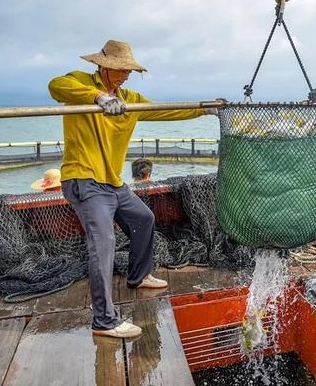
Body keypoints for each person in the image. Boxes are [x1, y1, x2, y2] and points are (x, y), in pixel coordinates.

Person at [49, 39, 218, 338]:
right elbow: (55, 86)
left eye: (129, 70)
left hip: (113, 183)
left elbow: (165, 111)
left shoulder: (130, 98)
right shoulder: (78, 83)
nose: (126, 75)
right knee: (103, 244)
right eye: (120, 69)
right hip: (84, 179)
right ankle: (104, 321)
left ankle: (138, 277)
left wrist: (205, 109)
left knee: (144, 219)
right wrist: (98, 97)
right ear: (103, 66)